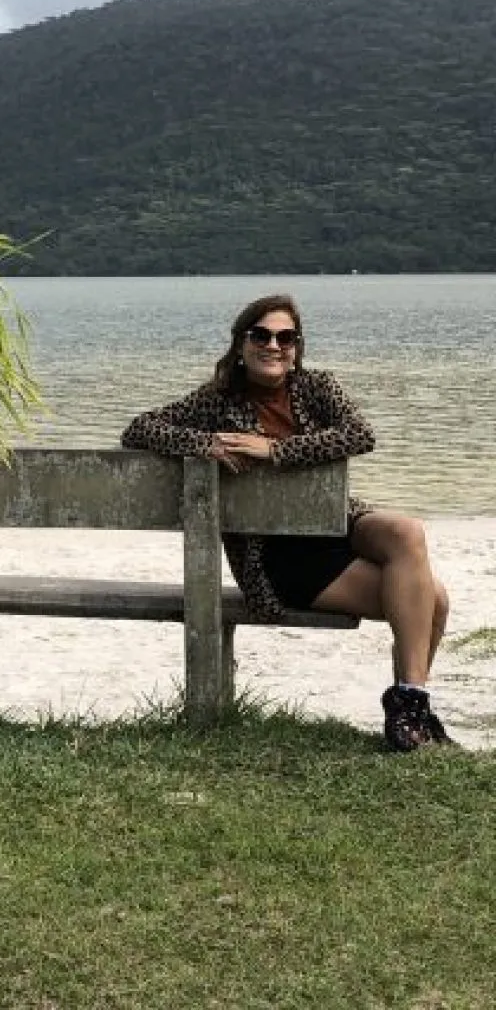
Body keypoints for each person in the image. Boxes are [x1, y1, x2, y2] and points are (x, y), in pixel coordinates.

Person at [121, 294, 451, 751]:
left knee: (406, 531)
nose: (273, 345)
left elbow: (361, 435)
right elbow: (139, 428)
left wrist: (273, 451)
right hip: (278, 558)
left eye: (285, 337)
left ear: (296, 347)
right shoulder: (216, 401)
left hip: (338, 523)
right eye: (261, 335)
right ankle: (412, 719)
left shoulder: (318, 387)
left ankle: (409, 707)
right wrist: (206, 444)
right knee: (432, 598)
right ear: (241, 344)